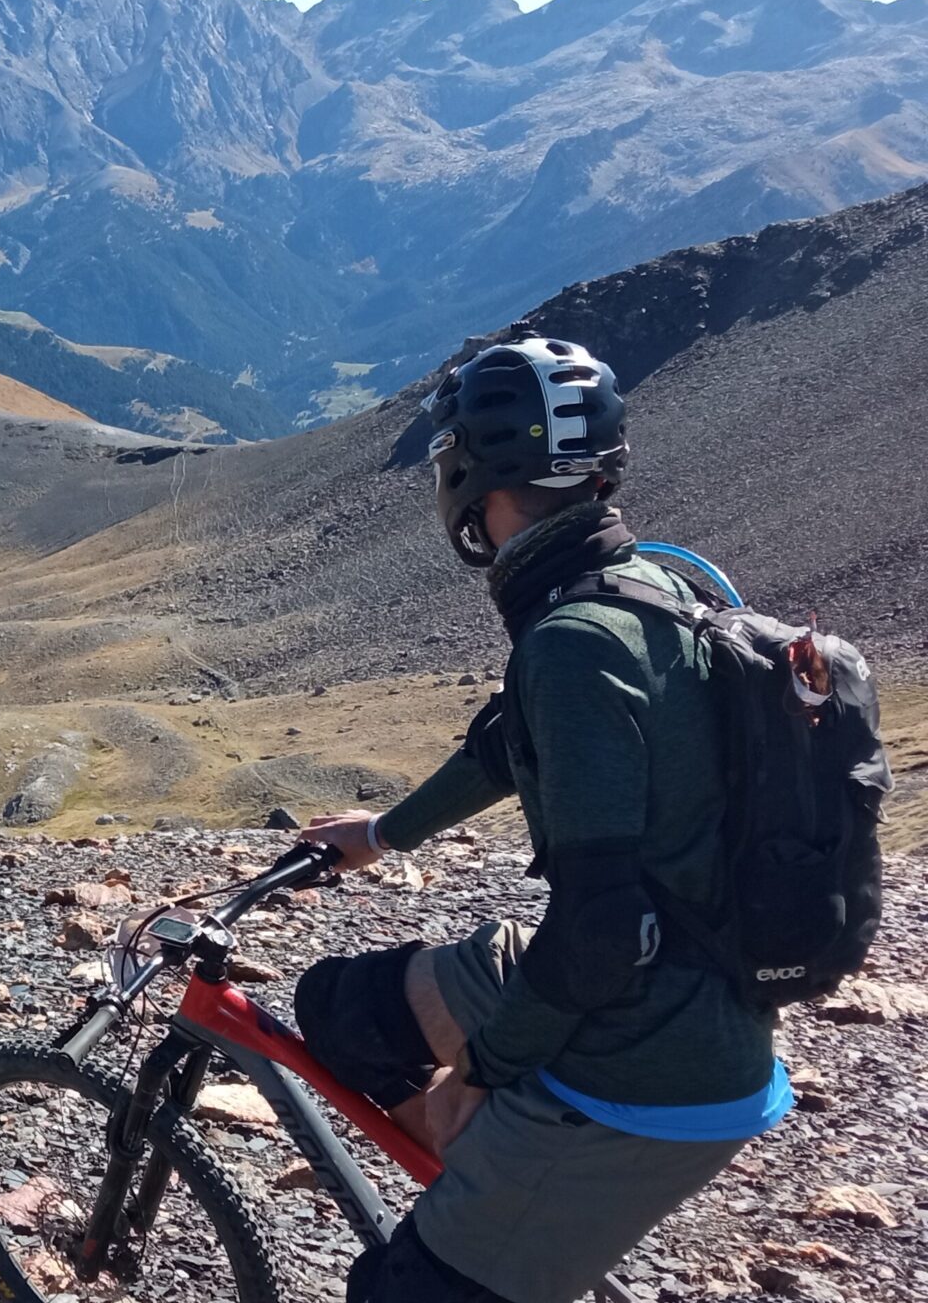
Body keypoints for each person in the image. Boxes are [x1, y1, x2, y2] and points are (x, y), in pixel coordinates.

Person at [292, 338, 793, 1303]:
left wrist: (474, 1077)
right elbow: (508, 746)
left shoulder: (571, 642)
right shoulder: (650, 583)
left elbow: (602, 933)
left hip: (650, 1068)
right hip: (675, 980)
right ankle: (489, 1212)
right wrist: (384, 834)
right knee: (339, 1010)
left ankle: (495, 1230)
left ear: (472, 475)